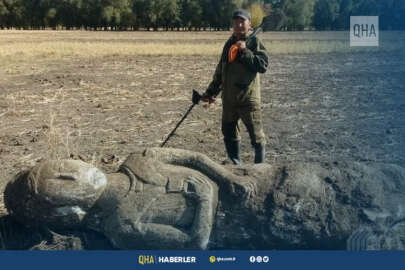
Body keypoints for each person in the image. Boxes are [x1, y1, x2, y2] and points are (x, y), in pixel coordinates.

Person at [201, 8, 269, 165]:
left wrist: (245, 50)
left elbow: (262, 66)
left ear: (249, 23)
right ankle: (236, 167)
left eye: (242, 21)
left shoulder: (254, 42)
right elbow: (221, 72)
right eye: (236, 21)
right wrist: (211, 92)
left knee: (257, 138)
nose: (239, 24)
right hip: (229, 101)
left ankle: (260, 171)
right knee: (229, 134)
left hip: (248, 100)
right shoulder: (229, 44)